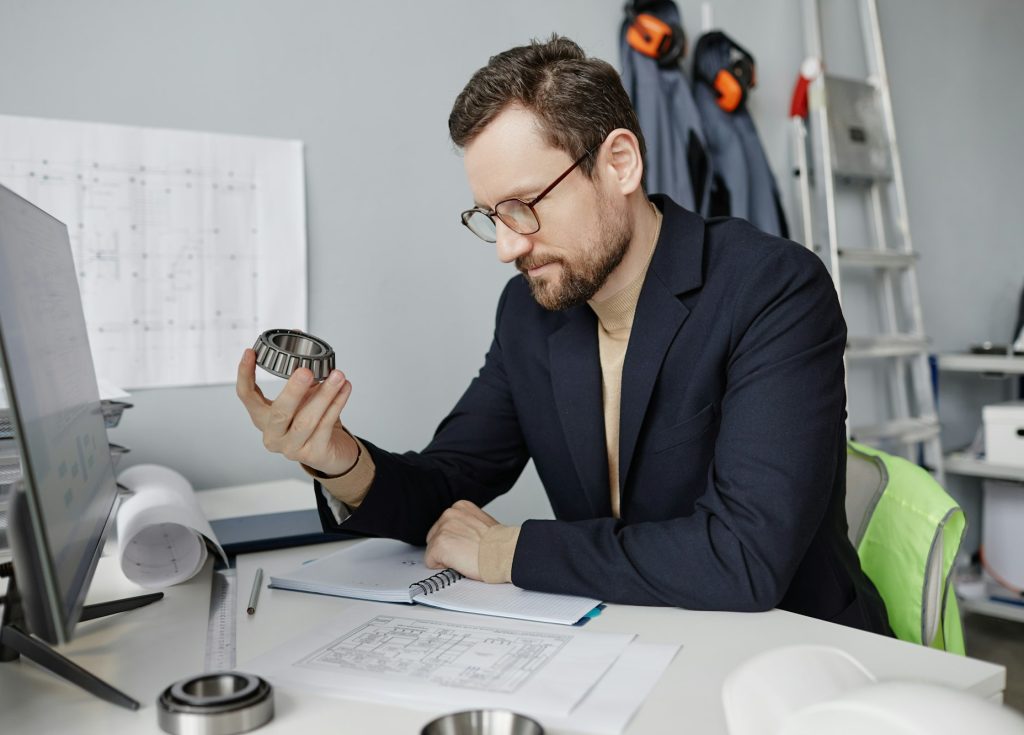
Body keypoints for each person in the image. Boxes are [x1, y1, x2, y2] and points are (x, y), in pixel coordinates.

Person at [236, 36, 891, 634]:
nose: (506, 246)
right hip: (631, 640)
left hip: (795, 650)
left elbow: (742, 555)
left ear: (619, 163)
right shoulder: (529, 313)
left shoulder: (772, 288)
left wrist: (509, 549)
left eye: (525, 206)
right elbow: (447, 482)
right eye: (492, 216)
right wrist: (340, 459)